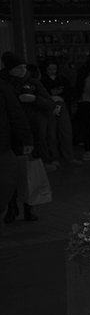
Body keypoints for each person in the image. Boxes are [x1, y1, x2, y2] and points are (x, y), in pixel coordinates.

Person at [0, 57, 29, 234]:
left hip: (5, 143)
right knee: (7, 179)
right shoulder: (5, 87)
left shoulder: (4, 87)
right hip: (4, 143)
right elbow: (16, 115)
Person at [39, 58, 80, 165]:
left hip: (62, 104)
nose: (52, 71)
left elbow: (70, 91)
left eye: (54, 69)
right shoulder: (42, 80)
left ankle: (68, 156)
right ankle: (55, 157)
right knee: (51, 133)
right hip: (49, 106)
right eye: (50, 69)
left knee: (65, 131)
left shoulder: (62, 79)